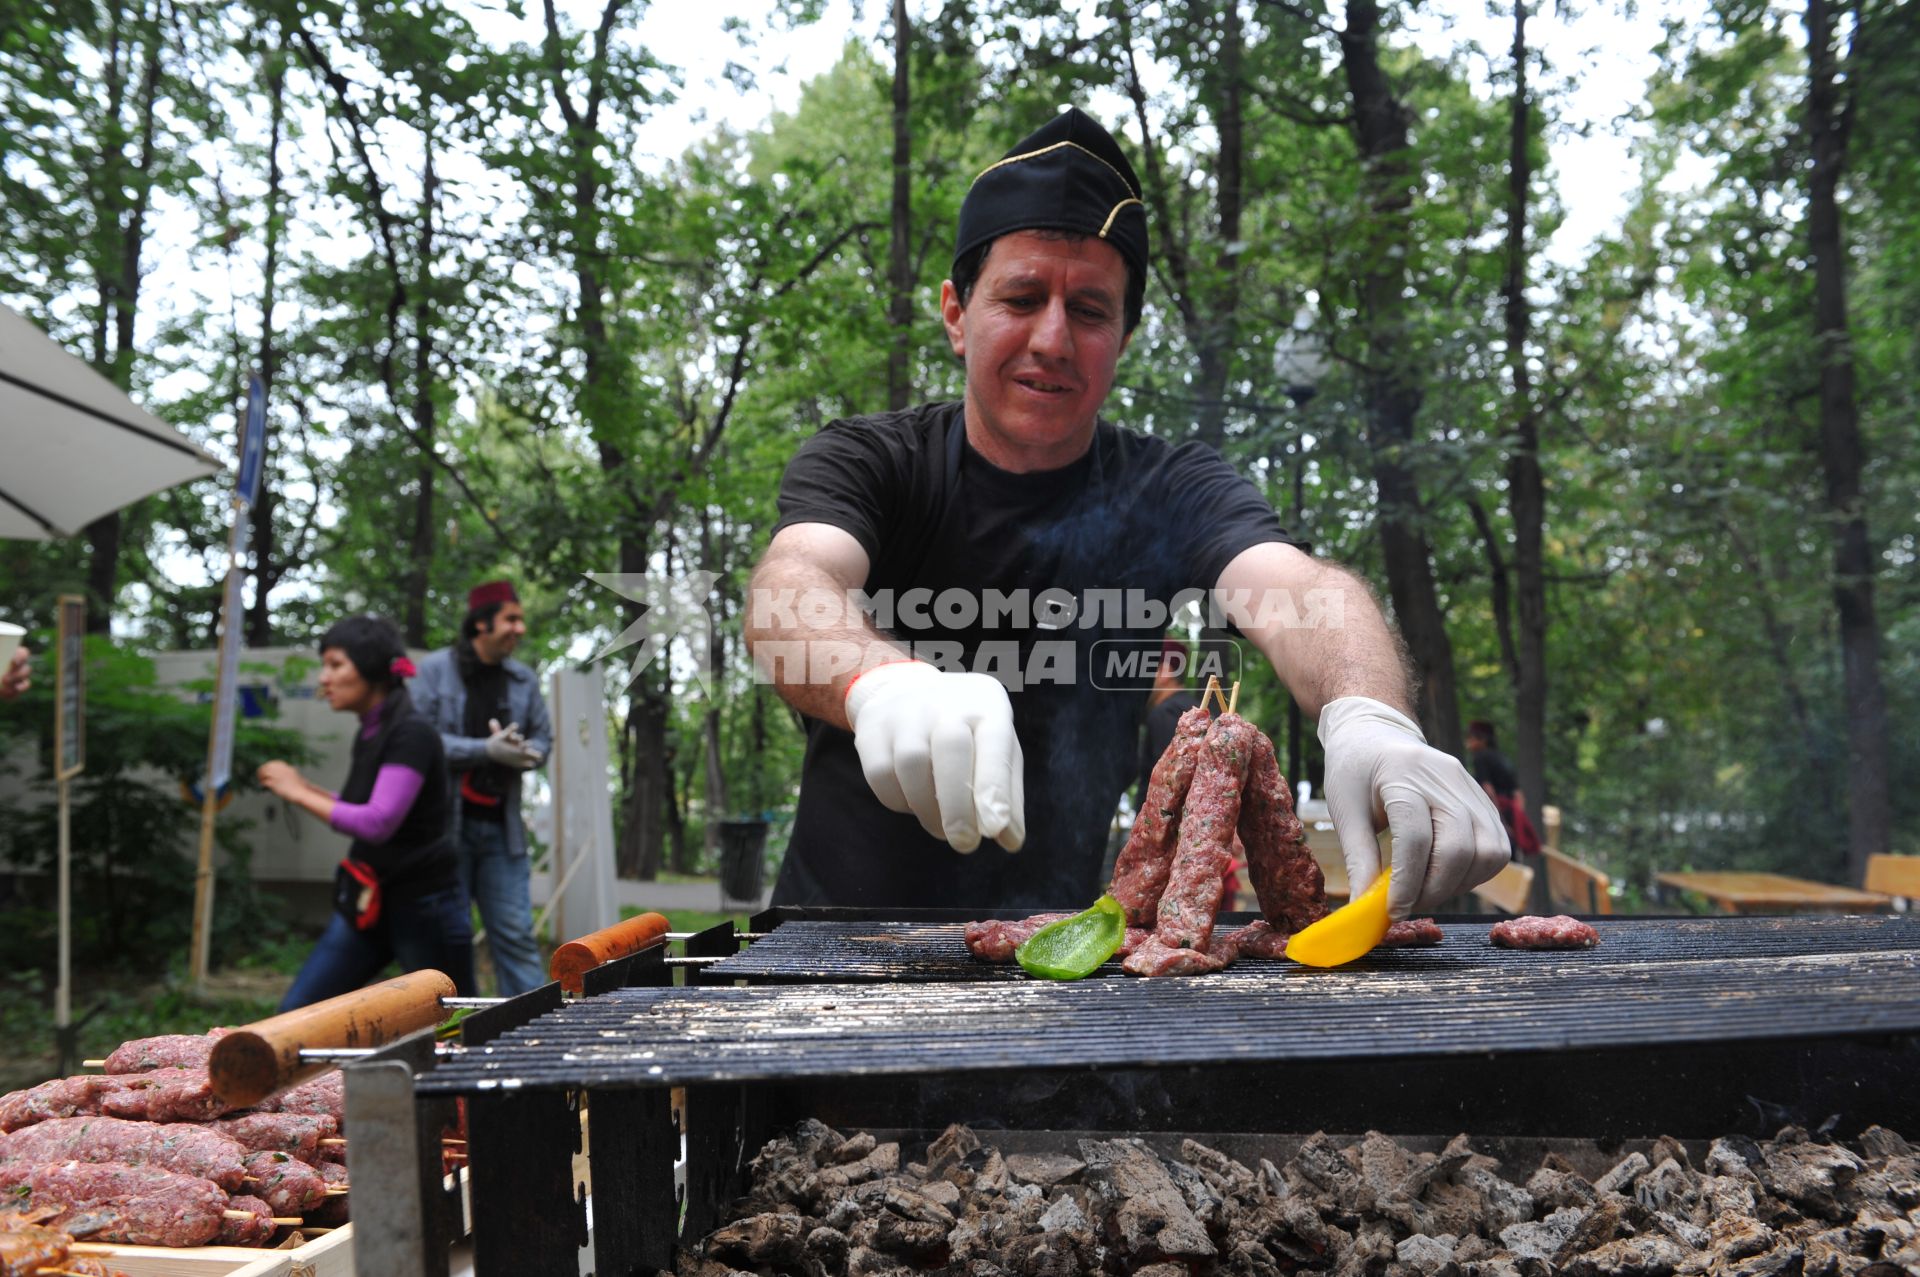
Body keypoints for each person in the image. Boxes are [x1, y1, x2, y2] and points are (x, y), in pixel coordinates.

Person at [745, 106, 1508, 919]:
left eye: (1090, 309)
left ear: (1124, 336)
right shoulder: (875, 460)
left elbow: (1301, 590)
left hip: (1063, 957)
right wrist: (879, 683)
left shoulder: (1170, 486)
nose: (1052, 337)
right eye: (1021, 295)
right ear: (956, 313)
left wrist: (1369, 714)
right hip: (833, 949)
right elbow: (793, 586)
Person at [261, 615, 475, 1009]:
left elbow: (377, 822)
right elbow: (365, 807)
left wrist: (296, 793)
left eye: (336, 664)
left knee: (457, 1029)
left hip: (424, 908)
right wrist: (305, 787)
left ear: (373, 669)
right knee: (297, 1017)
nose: (324, 678)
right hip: (369, 902)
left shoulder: (412, 733)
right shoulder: (371, 729)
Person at [413, 581, 551, 996]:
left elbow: (544, 739)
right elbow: (419, 740)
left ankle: (534, 1030)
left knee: (516, 934)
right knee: (445, 942)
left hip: (501, 831)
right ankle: (448, 1034)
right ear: (480, 624)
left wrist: (523, 752)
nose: (520, 628)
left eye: (521, 619)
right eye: (511, 619)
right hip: (444, 832)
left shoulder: (524, 680)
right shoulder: (434, 671)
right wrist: (485, 750)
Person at [1466, 719, 1541, 860]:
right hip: (1511, 811)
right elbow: (1518, 794)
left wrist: (1499, 819)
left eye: (1471, 737)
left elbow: (1488, 789)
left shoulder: (1480, 757)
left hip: (1498, 809)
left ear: (1482, 739)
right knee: (1510, 852)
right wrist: (1516, 820)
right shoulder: (1501, 758)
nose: (1468, 741)